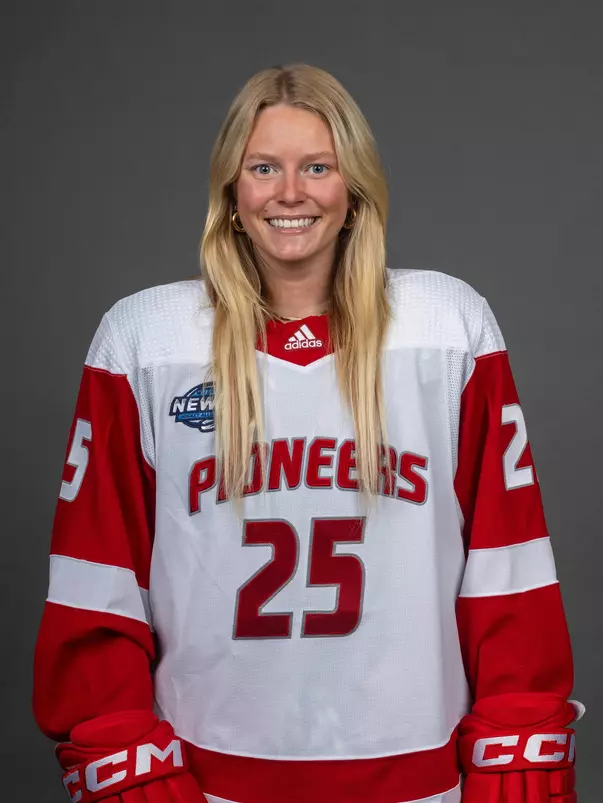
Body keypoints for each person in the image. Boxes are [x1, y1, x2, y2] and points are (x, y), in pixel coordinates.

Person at [33, 63, 582, 803]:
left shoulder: (445, 326)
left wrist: (518, 739)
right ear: (232, 190)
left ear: (351, 188)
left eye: (315, 167)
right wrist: (118, 746)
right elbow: (96, 581)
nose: (289, 192)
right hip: (209, 780)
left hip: (420, 781)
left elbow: (505, 565)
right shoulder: (145, 340)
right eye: (264, 168)